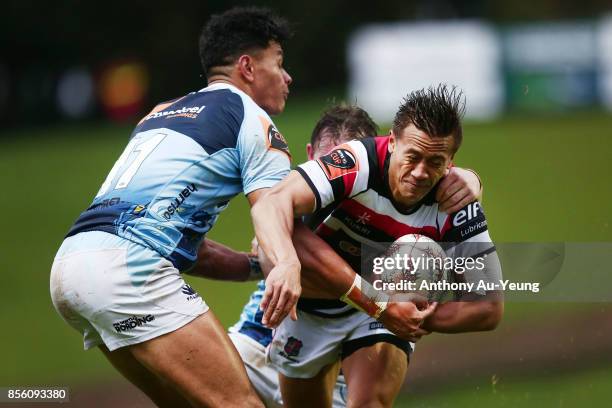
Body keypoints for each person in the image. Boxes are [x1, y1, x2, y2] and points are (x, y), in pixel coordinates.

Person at [49, 7, 299, 407]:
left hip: (70, 268)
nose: (287, 78)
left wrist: (255, 266)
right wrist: (284, 262)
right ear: (248, 67)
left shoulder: (159, 113)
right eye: (280, 64)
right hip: (126, 271)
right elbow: (271, 210)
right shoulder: (252, 120)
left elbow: (175, 238)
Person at [192, 103, 484, 407]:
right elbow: (261, 245)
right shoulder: (298, 201)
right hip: (265, 336)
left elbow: (484, 306)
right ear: (311, 158)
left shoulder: (388, 190)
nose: (337, 182)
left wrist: (467, 178)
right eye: (328, 162)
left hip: (350, 349)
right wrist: (277, 259)